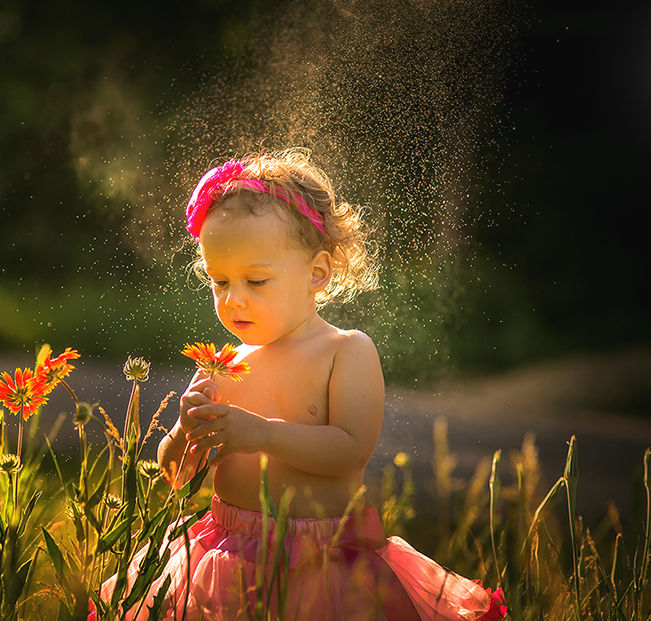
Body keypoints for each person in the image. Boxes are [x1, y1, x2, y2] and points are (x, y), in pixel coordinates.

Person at [103, 150, 506, 620]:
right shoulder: (223, 364)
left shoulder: (345, 351)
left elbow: (350, 450)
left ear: (316, 273)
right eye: (219, 281)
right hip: (224, 555)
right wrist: (182, 435)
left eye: (256, 280)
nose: (234, 299)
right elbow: (177, 477)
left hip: (323, 559)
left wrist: (264, 434)